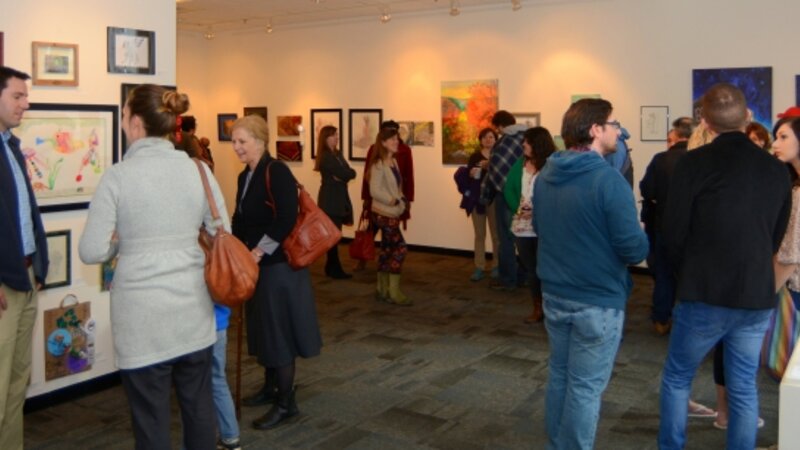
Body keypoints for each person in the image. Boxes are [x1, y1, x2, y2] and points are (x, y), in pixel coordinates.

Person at [79, 84, 224, 450]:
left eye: (125, 114)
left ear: (136, 123)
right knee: (198, 408)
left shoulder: (118, 176)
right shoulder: (199, 171)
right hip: (193, 312)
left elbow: (91, 250)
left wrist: (118, 241)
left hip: (142, 321)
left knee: (151, 421)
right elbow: (222, 233)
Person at [658, 83, 791, 450]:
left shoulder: (692, 164)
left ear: (705, 122)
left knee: (677, 379)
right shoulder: (776, 170)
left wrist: (692, 268)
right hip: (755, 292)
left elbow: (672, 233)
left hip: (703, 290)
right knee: (744, 385)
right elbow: (776, 236)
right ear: (748, 116)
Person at [534, 98, 649, 449]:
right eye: (614, 124)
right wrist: (641, 232)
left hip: (554, 293)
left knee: (561, 376)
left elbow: (540, 227)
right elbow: (634, 250)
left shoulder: (544, 176)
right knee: (584, 387)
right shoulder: (608, 181)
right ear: (596, 130)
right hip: (597, 300)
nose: (619, 130)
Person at [230, 115, 322, 430]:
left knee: (279, 334)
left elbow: (285, 218)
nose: (236, 147)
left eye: (242, 141)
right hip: (257, 268)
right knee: (263, 329)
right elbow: (240, 219)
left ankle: (287, 403)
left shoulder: (276, 171)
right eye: (234, 141)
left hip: (279, 268)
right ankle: (270, 389)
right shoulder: (246, 176)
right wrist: (233, 246)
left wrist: (258, 251)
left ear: (260, 140)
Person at [0, 66, 49, 450]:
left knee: (17, 385)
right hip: (4, 288)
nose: (25, 103)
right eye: (17, 96)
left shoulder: (11, 145)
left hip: (26, 278)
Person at [640, 117, 693, 335]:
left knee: (663, 273)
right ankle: (687, 322)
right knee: (688, 276)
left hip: (663, 225)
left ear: (677, 137)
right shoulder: (700, 160)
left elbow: (647, 190)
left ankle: (661, 319)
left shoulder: (660, 159)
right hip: (692, 229)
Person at [503, 126, 556, 323]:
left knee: (547, 268)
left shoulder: (552, 165)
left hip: (545, 226)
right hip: (522, 227)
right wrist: (518, 209)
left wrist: (539, 211)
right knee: (531, 270)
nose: (523, 144)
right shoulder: (519, 164)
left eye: (527, 141)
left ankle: (553, 307)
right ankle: (538, 307)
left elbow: (557, 194)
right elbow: (509, 189)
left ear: (537, 144)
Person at [480, 110, 528, 291]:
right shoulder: (527, 138)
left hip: (505, 195)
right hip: (525, 195)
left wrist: (487, 194)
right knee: (523, 236)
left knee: (506, 239)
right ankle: (524, 276)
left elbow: (496, 170)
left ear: (500, 126)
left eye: (497, 129)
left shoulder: (503, 143)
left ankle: (508, 279)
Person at [358, 120, 414, 270]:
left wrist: (406, 199)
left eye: (395, 135)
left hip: (394, 205)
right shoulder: (375, 155)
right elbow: (369, 179)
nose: (395, 140)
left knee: (387, 247)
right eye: (391, 136)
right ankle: (364, 260)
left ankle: (384, 286)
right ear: (383, 139)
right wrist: (367, 198)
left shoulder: (402, 153)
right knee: (394, 245)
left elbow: (407, 176)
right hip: (383, 207)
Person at [368, 127, 411, 306]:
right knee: (400, 249)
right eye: (392, 139)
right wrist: (393, 201)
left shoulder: (393, 161)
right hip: (384, 214)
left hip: (392, 212)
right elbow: (374, 190)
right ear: (383, 143)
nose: (396, 142)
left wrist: (401, 202)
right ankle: (393, 292)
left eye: (397, 139)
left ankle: (382, 289)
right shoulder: (378, 164)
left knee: (386, 251)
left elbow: (397, 187)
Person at [315, 125, 356, 279]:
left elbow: (351, 173)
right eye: (333, 135)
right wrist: (343, 175)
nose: (336, 137)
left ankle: (331, 266)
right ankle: (334, 267)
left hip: (338, 197)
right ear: (325, 138)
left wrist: (343, 175)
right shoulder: (326, 157)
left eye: (337, 134)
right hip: (330, 199)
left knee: (335, 234)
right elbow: (344, 173)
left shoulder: (337, 154)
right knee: (333, 234)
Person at [466, 127, 500, 281]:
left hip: (494, 199)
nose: (488, 140)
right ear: (480, 140)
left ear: (496, 139)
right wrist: (472, 172)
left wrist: (490, 165)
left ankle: (496, 265)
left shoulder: (499, 156)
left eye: (491, 137)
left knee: (496, 235)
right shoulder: (474, 156)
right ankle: (479, 266)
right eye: (485, 137)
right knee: (479, 235)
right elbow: (468, 176)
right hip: (478, 200)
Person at [210, 304, 241, 450]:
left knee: (191, 388)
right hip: (219, 321)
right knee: (218, 379)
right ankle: (230, 437)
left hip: (194, 325)